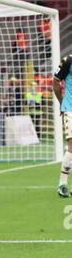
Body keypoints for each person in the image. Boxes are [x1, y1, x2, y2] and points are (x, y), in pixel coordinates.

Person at [53, 55, 72, 197]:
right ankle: (62, 184)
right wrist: (62, 104)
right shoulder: (68, 60)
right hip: (70, 108)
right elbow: (56, 82)